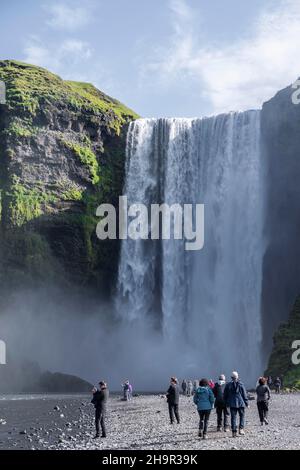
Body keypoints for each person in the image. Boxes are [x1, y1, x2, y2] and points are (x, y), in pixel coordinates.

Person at [224, 371, 248, 438]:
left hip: (232, 403)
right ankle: (241, 429)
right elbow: (244, 395)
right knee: (242, 416)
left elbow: (225, 395)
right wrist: (246, 403)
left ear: (231, 377)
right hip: (240, 403)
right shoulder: (241, 384)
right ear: (237, 377)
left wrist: (226, 403)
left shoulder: (228, 385)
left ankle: (234, 432)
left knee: (233, 418)